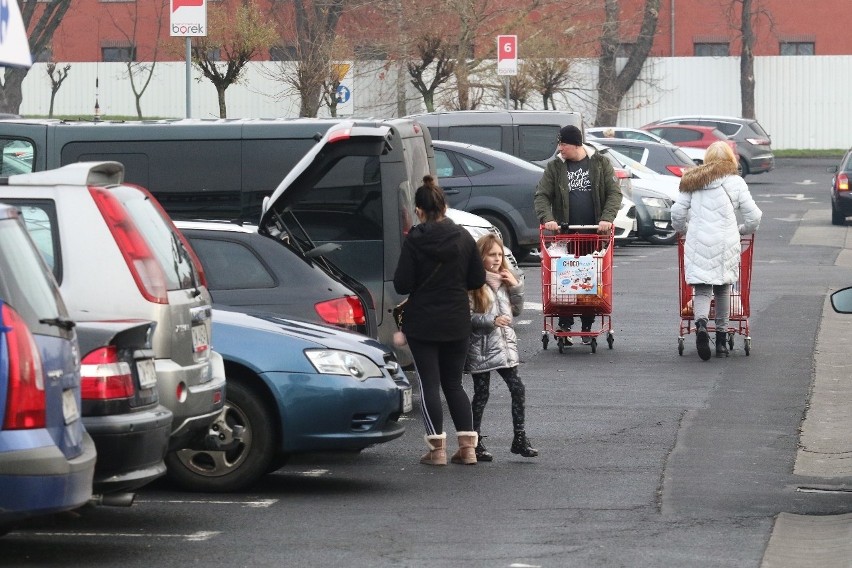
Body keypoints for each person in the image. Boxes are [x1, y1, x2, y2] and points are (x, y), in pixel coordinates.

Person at [394, 175, 487, 466]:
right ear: (444, 206)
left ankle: (437, 451)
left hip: (423, 321)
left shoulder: (414, 240)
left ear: (419, 210)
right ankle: (468, 447)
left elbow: (402, 283)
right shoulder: (463, 237)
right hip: (457, 318)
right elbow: (477, 279)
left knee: (430, 385)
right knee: (455, 384)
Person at [671, 141, 762, 361]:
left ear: (707, 159)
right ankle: (721, 342)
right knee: (722, 289)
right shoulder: (736, 183)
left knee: (702, 289)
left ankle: (701, 324)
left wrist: (684, 229)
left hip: (698, 241)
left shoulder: (692, 180)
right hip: (725, 242)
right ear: (731, 159)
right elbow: (754, 216)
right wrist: (742, 230)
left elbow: (677, 212)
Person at [534, 124, 623, 343]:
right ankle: (564, 326)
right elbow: (542, 196)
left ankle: (586, 324)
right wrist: (549, 220)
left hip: (593, 235)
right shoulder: (555, 167)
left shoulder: (601, 164)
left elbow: (614, 193)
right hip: (565, 236)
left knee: (590, 279)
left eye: (563, 144)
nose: (559, 149)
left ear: (576, 144)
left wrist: (606, 218)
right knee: (564, 280)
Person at [466, 234, 538, 461]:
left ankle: (520, 438)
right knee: (481, 393)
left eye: (500, 255)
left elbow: (516, 311)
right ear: (481, 257)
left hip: (504, 345)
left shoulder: (504, 281)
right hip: (481, 346)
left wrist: (515, 286)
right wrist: (490, 321)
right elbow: (466, 317)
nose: (497, 260)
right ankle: (474, 441)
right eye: (492, 255)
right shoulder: (472, 284)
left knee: (518, 388)